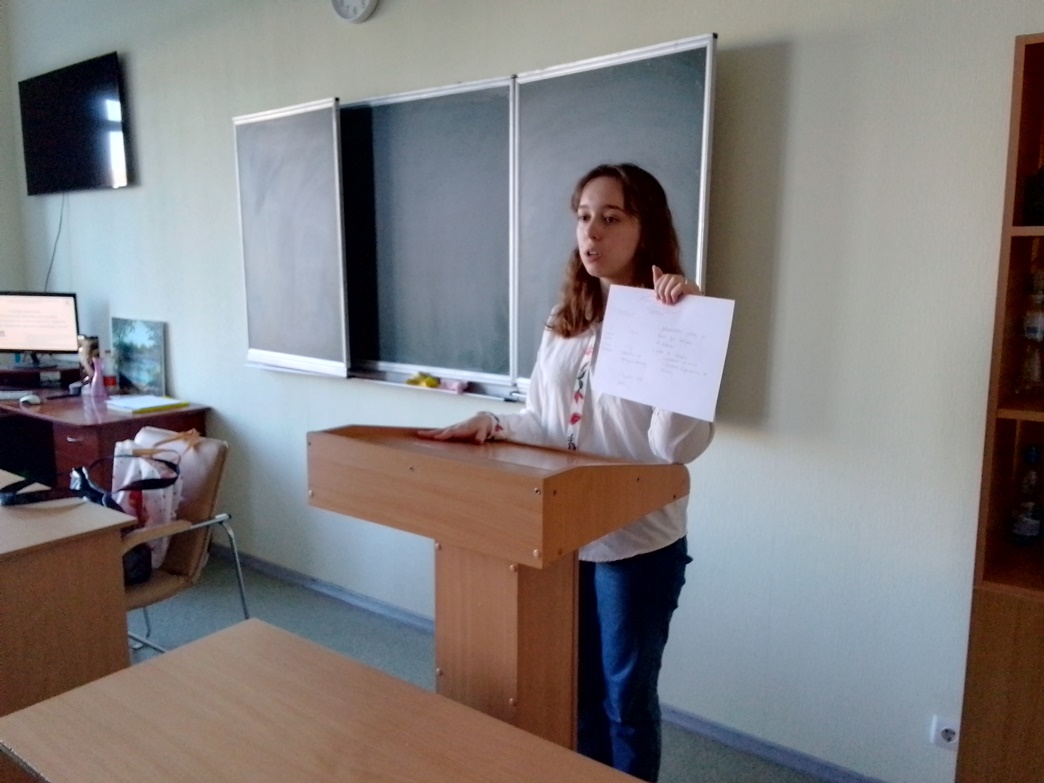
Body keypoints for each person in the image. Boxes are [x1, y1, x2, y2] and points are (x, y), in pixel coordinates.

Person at [418, 162, 714, 782]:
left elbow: (673, 446)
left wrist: (683, 335)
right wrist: (491, 423)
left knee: (626, 701)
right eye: (583, 217)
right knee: (576, 693)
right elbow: (545, 421)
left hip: (636, 542)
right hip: (561, 531)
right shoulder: (565, 318)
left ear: (646, 228)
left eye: (611, 218)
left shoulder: (677, 320)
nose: (591, 233)